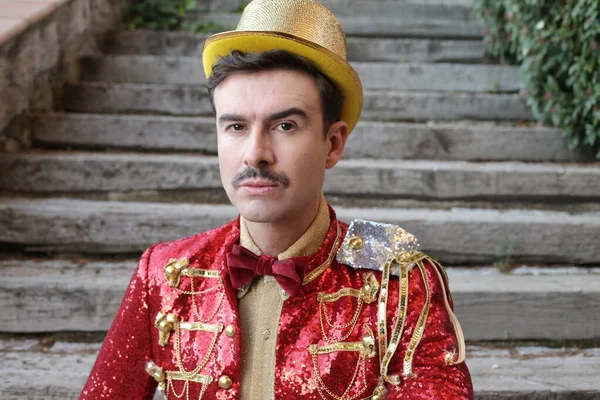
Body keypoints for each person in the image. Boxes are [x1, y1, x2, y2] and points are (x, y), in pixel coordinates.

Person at [80, 0, 473, 399]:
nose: (255, 153)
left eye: (285, 125)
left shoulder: (400, 285)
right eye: (235, 126)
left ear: (333, 144)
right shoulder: (164, 275)